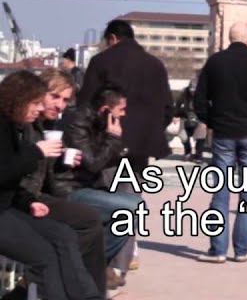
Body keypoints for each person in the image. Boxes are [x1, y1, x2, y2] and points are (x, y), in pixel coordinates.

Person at [0, 70, 104, 300]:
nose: (59, 106)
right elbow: (11, 170)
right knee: (51, 250)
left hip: (23, 199)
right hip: (17, 203)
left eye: (66, 100)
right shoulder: (18, 126)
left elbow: (15, 177)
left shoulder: (26, 125)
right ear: (20, 98)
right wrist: (37, 153)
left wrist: (56, 159)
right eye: (52, 97)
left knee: (65, 235)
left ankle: (88, 294)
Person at [194, 22, 247, 263]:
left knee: (220, 192)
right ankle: (241, 249)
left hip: (223, 133)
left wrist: (211, 120)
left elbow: (200, 99)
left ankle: (218, 249)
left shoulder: (215, 62)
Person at [60, 83, 143, 284]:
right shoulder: (78, 123)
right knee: (130, 209)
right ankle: (88, 264)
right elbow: (93, 164)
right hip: (69, 188)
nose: (123, 114)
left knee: (133, 206)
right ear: (106, 110)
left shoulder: (98, 122)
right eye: (121, 109)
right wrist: (113, 138)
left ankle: (93, 263)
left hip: (88, 186)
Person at [78, 19, 173, 175]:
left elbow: (85, 102)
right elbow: (167, 107)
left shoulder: (101, 61)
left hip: (108, 139)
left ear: (113, 38)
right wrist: (152, 129)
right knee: (133, 191)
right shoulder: (155, 64)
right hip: (143, 142)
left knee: (107, 189)